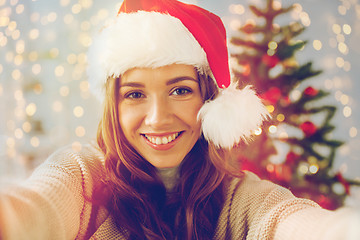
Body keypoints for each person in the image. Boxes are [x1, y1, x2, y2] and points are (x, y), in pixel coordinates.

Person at [0, 0, 359, 239]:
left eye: (180, 91)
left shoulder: (239, 199)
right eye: (135, 94)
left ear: (209, 99)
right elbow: (34, 209)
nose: (157, 119)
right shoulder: (82, 177)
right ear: (115, 105)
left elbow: (292, 221)